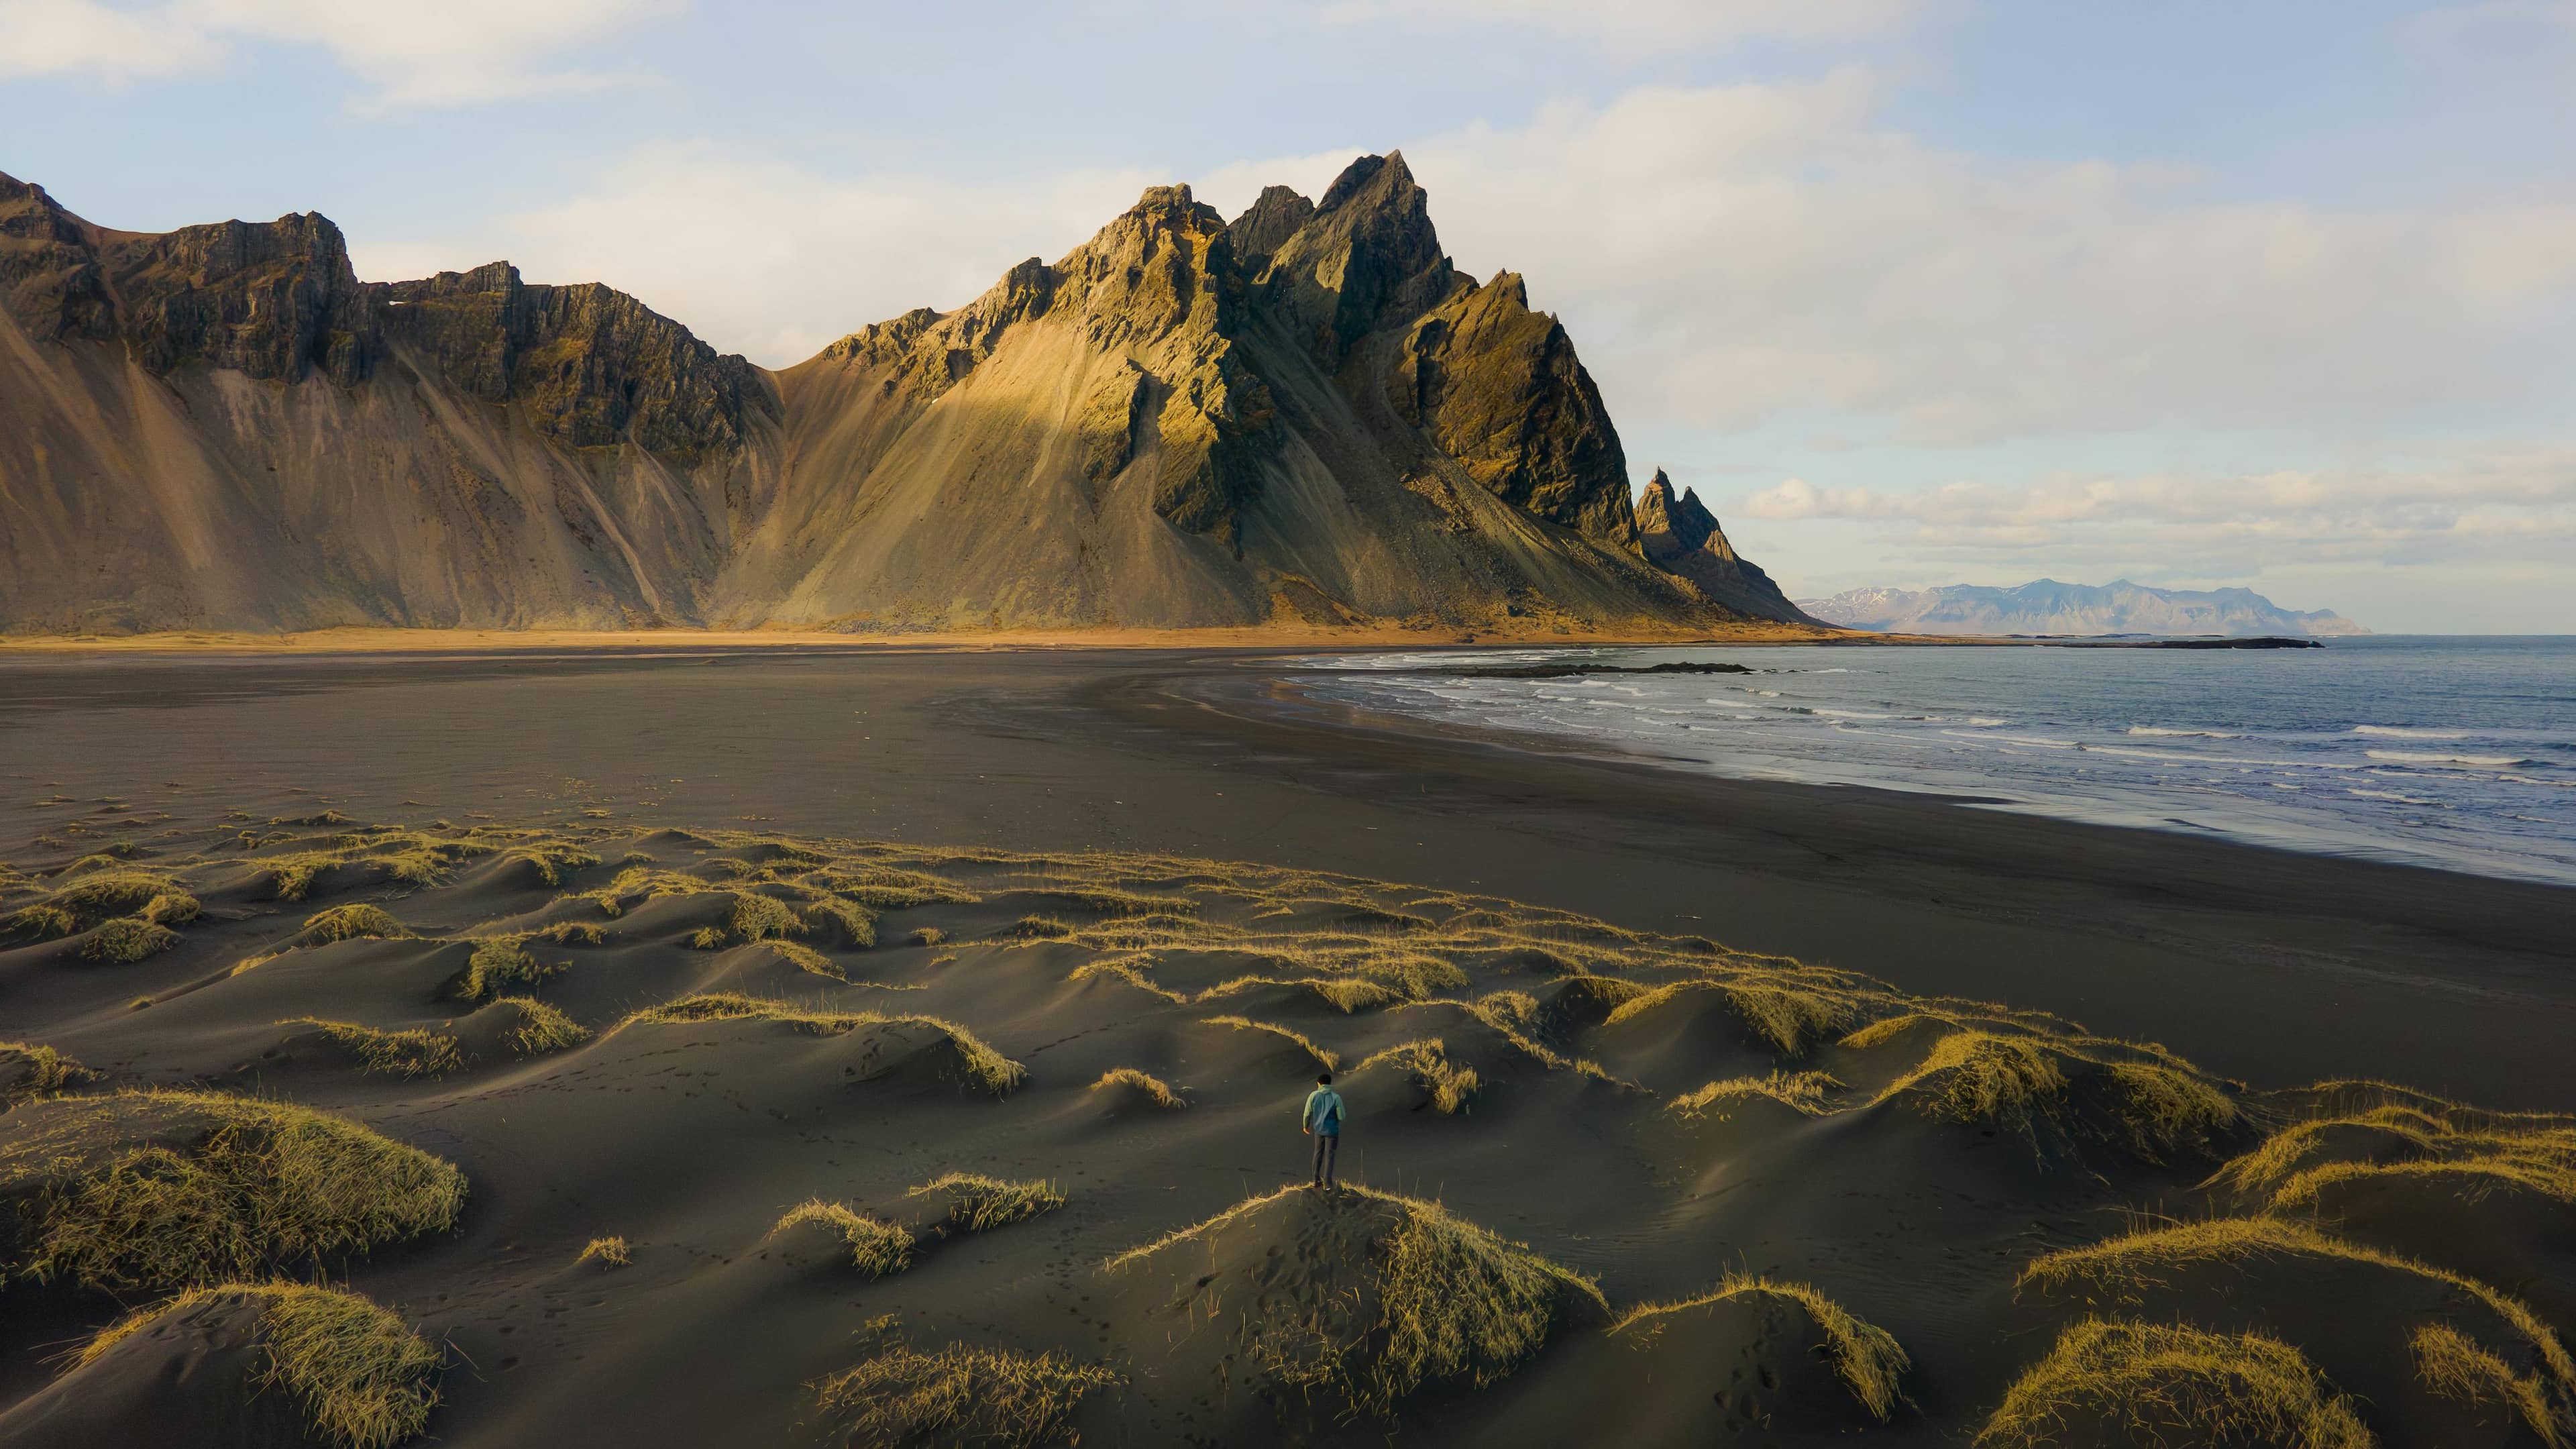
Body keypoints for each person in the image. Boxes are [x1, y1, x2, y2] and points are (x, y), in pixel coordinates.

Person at [1301, 1071, 1345, 1189]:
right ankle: (1328, 1183)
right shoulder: (1336, 1097)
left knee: (1318, 1153)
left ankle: (1316, 1180)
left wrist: (1306, 1126)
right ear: (1330, 1084)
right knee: (1330, 1155)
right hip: (1332, 1131)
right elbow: (1342, 1116)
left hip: (1319, 1130)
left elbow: (1307, 1113)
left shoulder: (1313, 1096)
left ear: (1319, 1084)